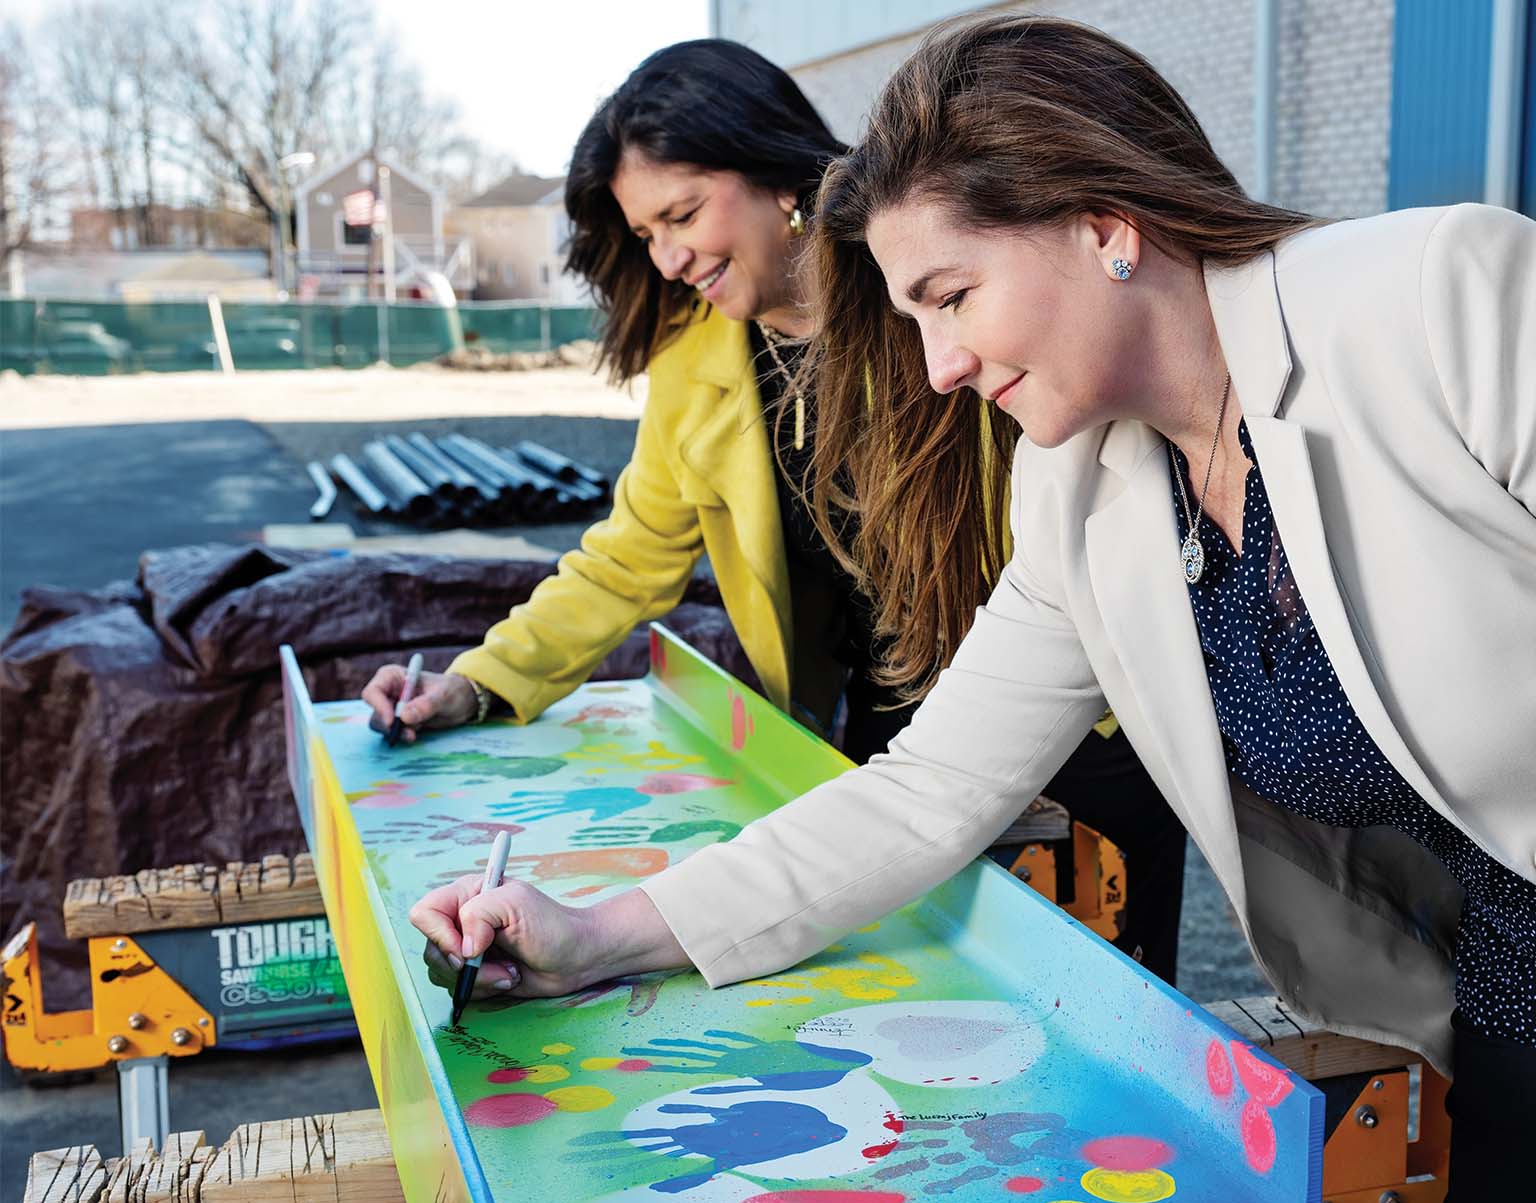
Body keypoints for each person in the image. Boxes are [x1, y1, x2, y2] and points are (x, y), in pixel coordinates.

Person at [409, 17, 1536, 1203]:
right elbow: (923, 790)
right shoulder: (1086, 494)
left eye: (952, 295)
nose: (939, 364)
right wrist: (599, 932)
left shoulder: (1440, 298)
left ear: (1104, 224)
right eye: (909, 316)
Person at [363, 38, 1188, 980]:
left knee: (1115, 1010)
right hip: (892, 739)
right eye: (644, 237)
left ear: (778, 178)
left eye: (682, 215)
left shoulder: (934, 304)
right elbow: (627, 558)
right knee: (935, 1014)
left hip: (1081, 730)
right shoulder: (697, 366)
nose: (669, 258)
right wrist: (476, 682)